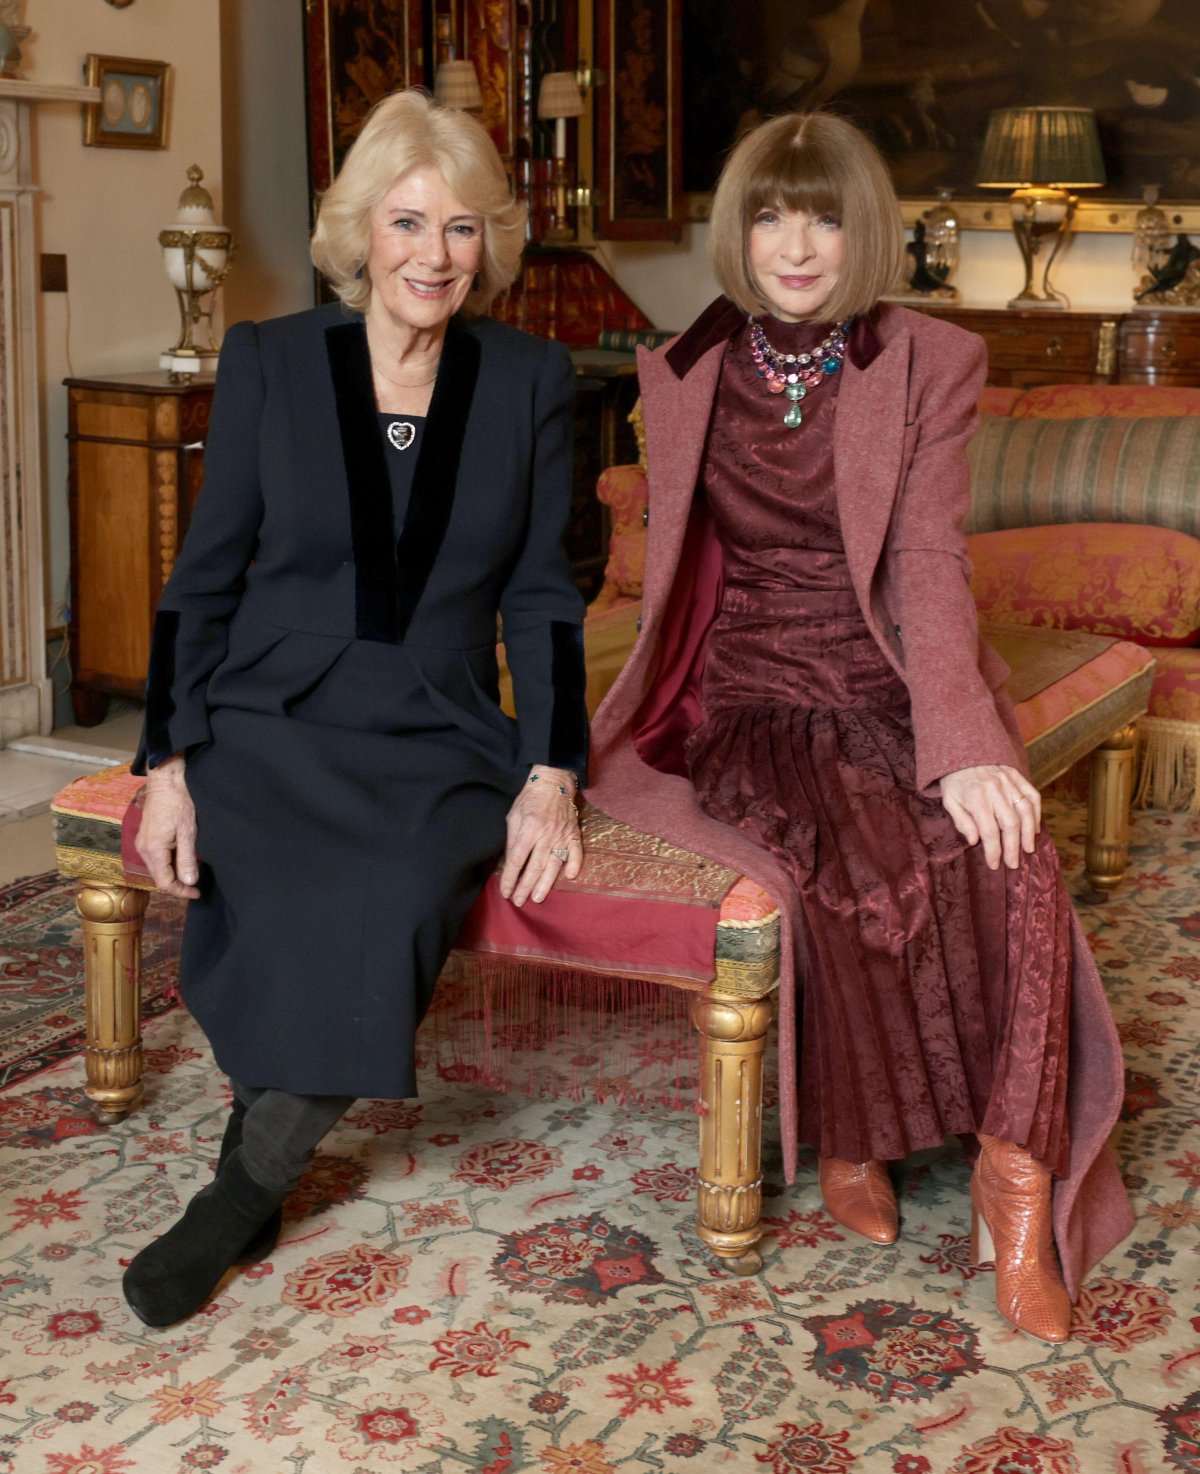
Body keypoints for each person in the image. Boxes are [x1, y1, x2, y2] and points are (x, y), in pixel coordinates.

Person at [585, 111, 1132, 1343]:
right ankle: (848, 1135)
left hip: (889, 672)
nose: (796, 243)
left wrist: (970, 741)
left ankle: (1015, 1177)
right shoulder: (682, 367)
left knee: (1012, 862)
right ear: (741, 228)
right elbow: (679, 564)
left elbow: (929, 560)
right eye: (772, 213)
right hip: (756, 690)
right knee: (843, 868)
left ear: (862, 229)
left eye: (825, 215)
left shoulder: (930, 357)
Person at [121, 89, 587, 1328]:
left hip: (434, 723)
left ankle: (234, 1194)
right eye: (408, 222)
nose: (435, 255)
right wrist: (166, 755)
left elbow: (543, 591)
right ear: (358, 235)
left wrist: (551, 767)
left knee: (392, 887)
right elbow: (204, 573)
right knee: (272, 867)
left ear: (490, 244)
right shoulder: (273, 359)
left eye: (463, 229)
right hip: (269, 707)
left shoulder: (533, 378)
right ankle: (260, 1171)